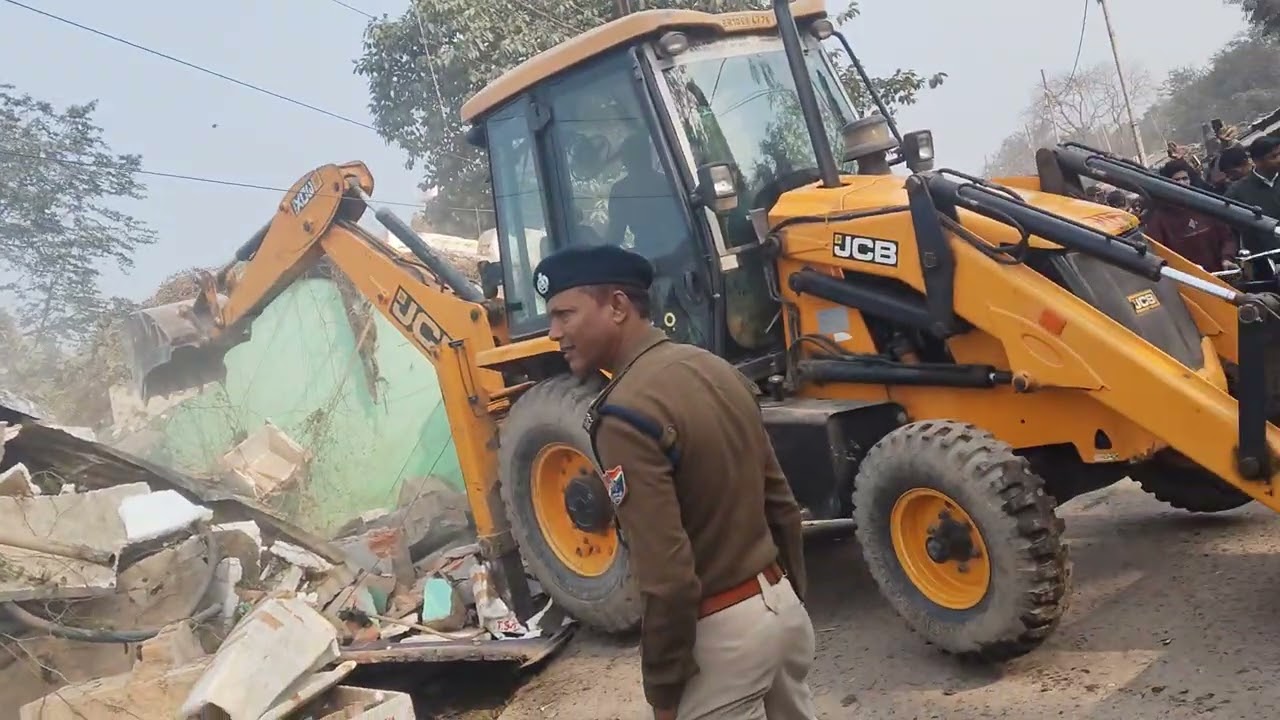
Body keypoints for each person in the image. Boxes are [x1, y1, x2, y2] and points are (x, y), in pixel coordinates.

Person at [532, 244, 815, 720]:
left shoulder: (625, 414)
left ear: (618, 307)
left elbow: (668, 579)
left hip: (722, 640)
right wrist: (790, 602)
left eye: (565, 314)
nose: (553, 332)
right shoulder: (714, 369)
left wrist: (663, 690)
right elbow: (781, 506)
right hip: (780, 609)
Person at [1146, 160, 1239, 273]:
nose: (1182, 183)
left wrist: (1227, 259)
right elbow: (1156, 253)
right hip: (1188, 282)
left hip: (1219, 276)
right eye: (1176, 180)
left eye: (1185, 178)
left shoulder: (1205, 206)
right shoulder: (1159, 218)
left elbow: (1227, 238)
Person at [1226, 135, 1280, 255]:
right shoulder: (1237, 192)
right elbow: (1231, 231)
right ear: (1257, 161)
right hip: (1267, 261)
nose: (1279, 159)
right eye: (1273, 156)